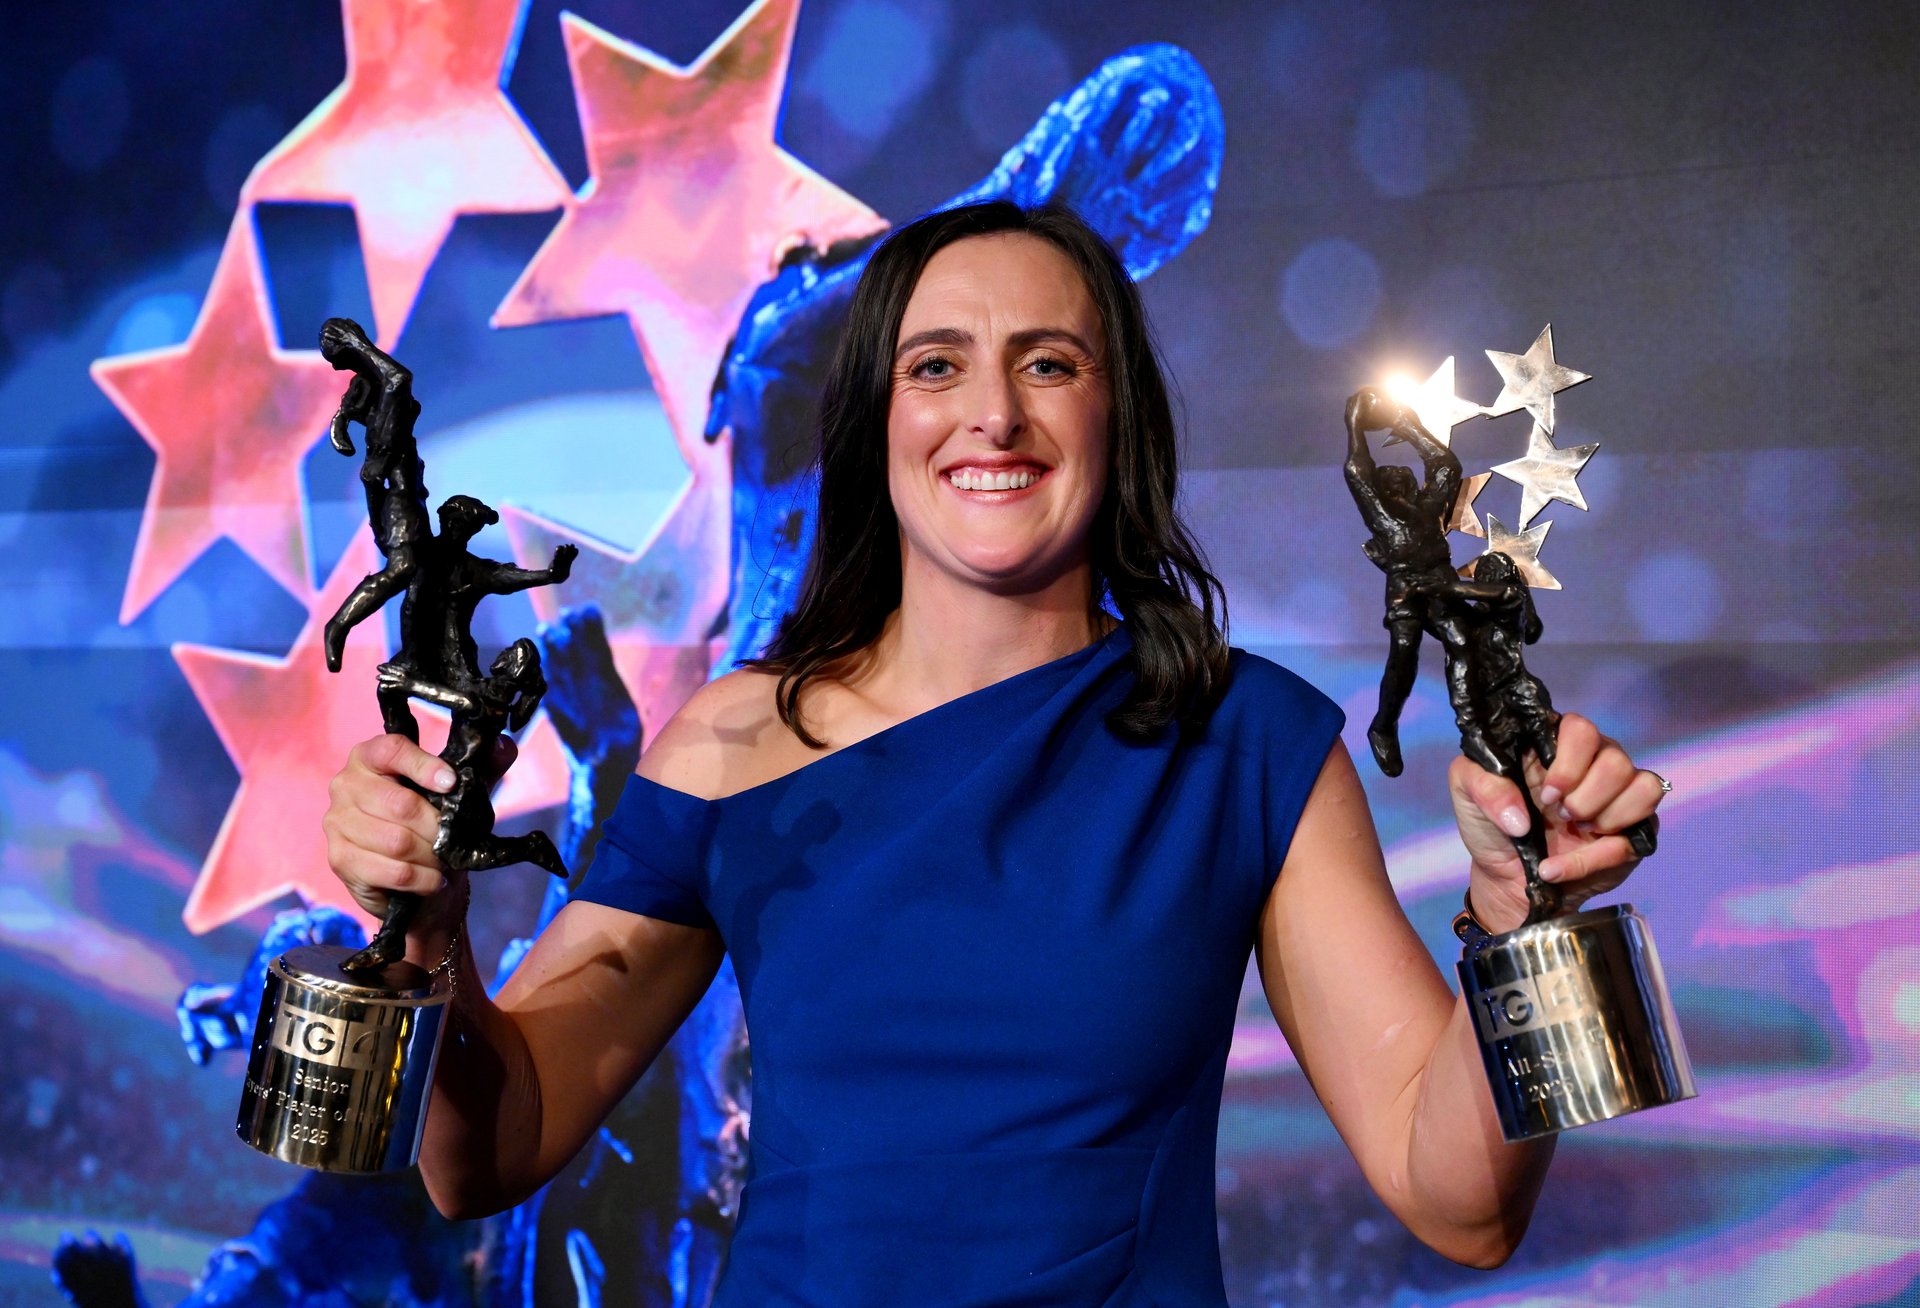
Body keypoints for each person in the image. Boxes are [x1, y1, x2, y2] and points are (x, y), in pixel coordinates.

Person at [321, 201, 1665, 1304]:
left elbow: (1464, 1207)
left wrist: (1524, 920)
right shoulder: (732, 742)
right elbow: (486, 1153)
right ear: (877, 421)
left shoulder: (1248, 746)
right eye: (937, 364)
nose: (994, 416)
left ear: (1116, 419)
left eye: (1049, 362)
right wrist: (428, 944)